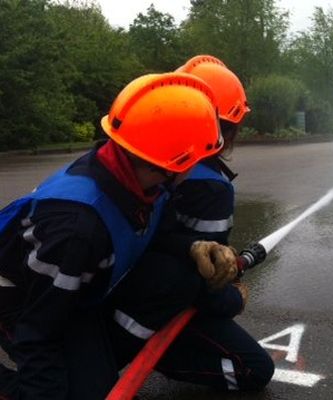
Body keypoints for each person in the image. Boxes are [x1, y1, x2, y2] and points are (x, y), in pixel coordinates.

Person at [0, 72, 237, 399]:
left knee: (177, 276)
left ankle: (88, 372)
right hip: (22, 301)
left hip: (75, 292)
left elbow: (150, 233)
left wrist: (195, 246)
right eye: (196, 162)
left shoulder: (141, 179)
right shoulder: (76, 229)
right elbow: (38, 330)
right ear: (172, 165)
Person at [106, 55, 274, 393]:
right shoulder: (209, 185)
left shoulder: (141, 159)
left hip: (109, 287)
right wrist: (232, 300)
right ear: (230, 128)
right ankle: (156, 354)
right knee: (254, 369)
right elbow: (202, 281)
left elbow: (163, 238)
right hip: (150, 302)